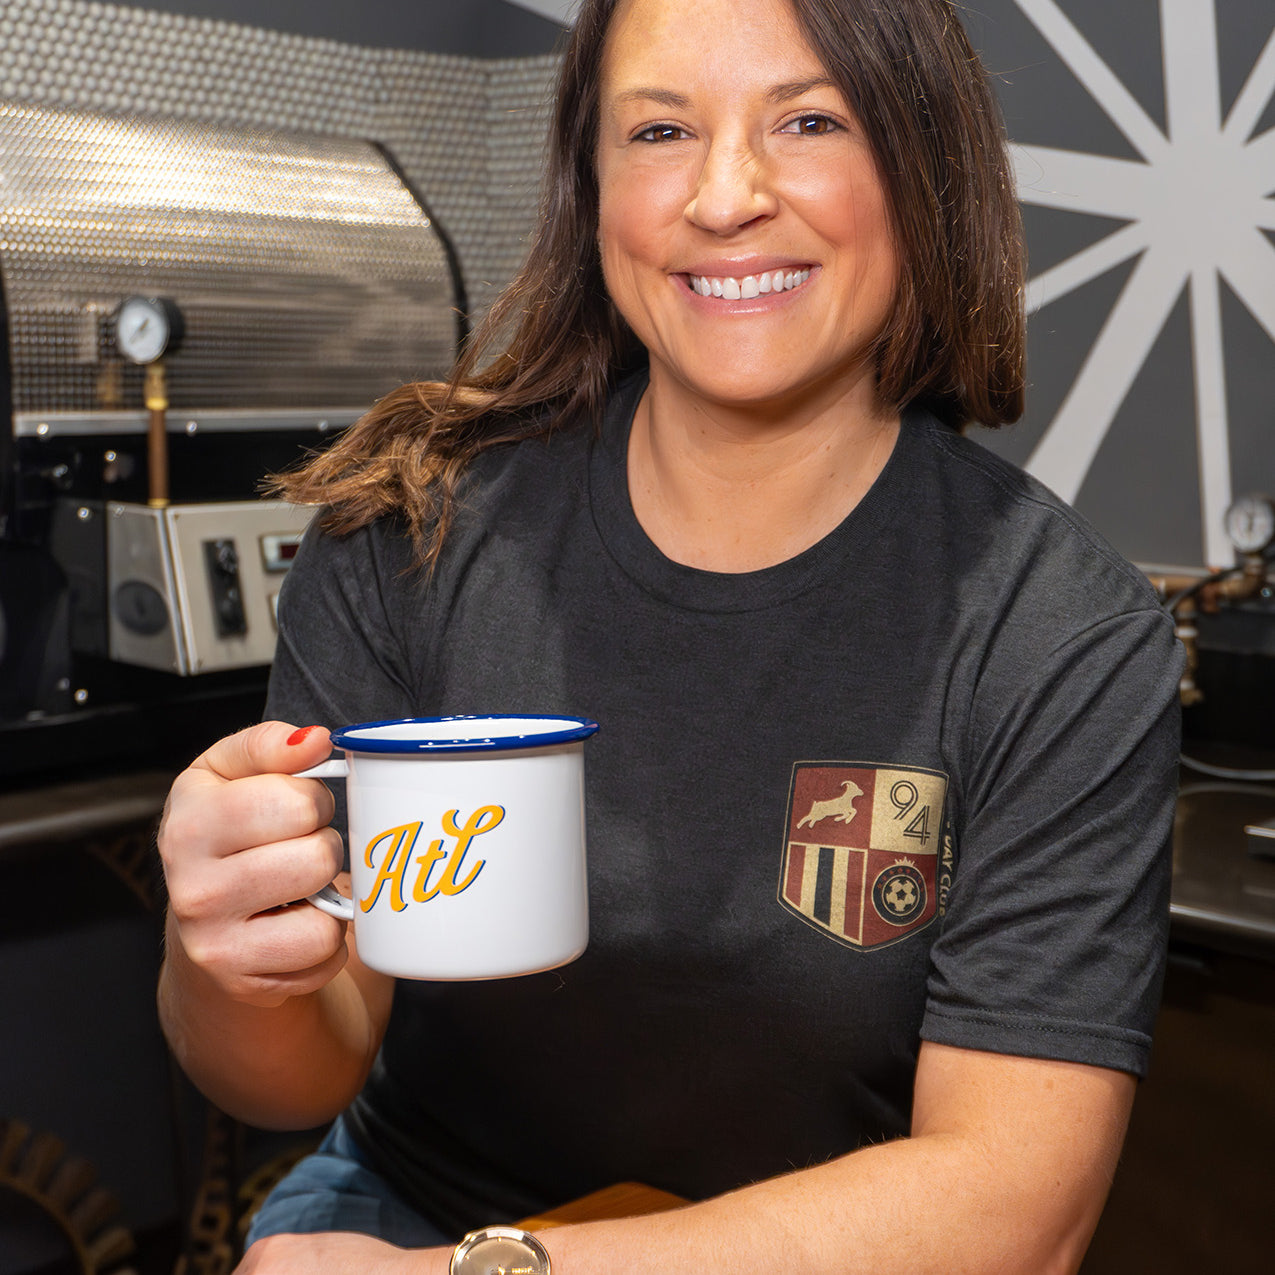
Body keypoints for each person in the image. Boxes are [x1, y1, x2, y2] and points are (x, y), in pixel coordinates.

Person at [156, 0, 1184, 1271]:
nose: (724, 195)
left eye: (808, 119)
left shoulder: (1061, 633)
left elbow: (1012, 1211)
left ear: (923, 167)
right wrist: (225, 959)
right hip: (413, 1215)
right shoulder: (407, 529)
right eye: (658, 130)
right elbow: (289, 1076)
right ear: (592, 192)